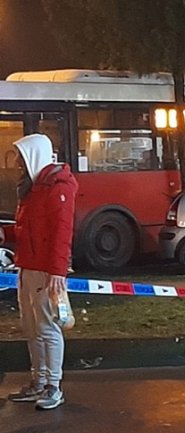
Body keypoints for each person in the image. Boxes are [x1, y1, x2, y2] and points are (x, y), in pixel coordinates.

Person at [0, 134, 78, 410]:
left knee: (47, 328)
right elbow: (29, 230)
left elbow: (62, 232)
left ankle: (53, 386)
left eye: (21, 159)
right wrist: (6, 232)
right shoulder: (35, 187)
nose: (19, 165)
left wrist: (57, 272)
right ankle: (39, 382)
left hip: (45, 271)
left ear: (33, 157)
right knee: (32, 328)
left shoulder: (57, 186)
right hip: (28, 266)